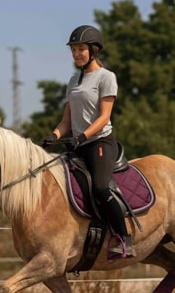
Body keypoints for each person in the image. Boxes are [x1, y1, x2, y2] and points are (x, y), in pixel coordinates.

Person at [41, 25, 134, 259]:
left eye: (81, 49)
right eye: (73, 50)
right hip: (78, 144)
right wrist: (54, 135)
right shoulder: (73, 81)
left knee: (101, 187)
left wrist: (82, 137)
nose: (76, 54)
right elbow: (67, 120)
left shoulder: (106, 77)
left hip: (100, 143)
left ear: (94, 50)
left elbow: (104, 118)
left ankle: (124, 238)